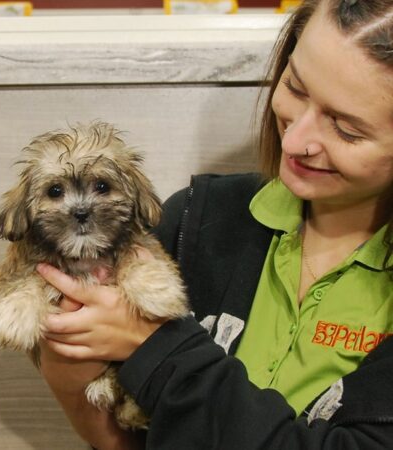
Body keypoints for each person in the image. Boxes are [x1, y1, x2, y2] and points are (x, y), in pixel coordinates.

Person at [36, 0, 393, 448]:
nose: (296, 140)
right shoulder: (194, 219)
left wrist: (156, 345)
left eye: (345, 129)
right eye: (296, 88)